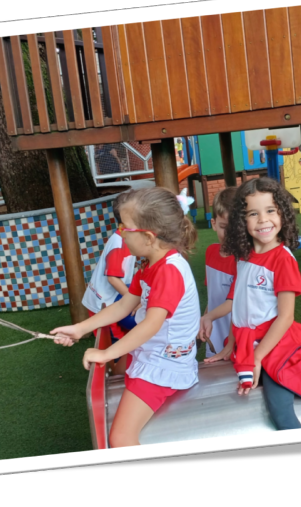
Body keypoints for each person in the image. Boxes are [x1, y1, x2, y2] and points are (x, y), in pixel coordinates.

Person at [51, 187, 200, 447]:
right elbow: (122, 306)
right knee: (120, 373)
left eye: (124, 228)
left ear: (148, 237)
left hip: (164, 366)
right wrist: (80, 328)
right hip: (152, 353)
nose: (120, 233)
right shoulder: (150, 264)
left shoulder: (169, 271)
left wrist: (106, 353)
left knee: (120, 439)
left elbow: (151, 325)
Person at [205, 177, 301, 430]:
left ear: (283, 214)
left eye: (270, 210)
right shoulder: (244, 255)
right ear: (241, 221)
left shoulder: (282, 260)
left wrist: (257, 357)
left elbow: (286, 317)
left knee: (279, 410)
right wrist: (231, 345)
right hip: (248, 341)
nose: (263, 220)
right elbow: (240, 306)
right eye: (253, 214)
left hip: (277, 344)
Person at [81, 195, 138, 375]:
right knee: (116, 343)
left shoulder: (125, 238)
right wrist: (133, 300)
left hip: (110, 299)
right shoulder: (120, 243)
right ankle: (115, 375)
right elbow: (113, 278)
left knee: (122, 339)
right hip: (103, 302)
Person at [198, 186, 238, 357]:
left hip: (236, 333)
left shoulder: (244, 261)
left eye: (236, 228)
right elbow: (212, 295)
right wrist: (205, 319)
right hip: (214, 329)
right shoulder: (210, 252)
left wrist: (207, 318)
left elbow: (234, 302)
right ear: (214, 224)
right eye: (224, 227)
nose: (230, 234)